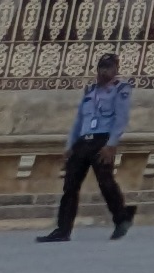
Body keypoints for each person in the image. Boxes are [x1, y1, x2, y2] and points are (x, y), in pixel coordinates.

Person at [41, 52, 135, 240]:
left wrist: (111, 144)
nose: (104, 72)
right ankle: (63, 230)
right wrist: (70, 145)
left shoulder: (120, 90)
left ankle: (121, 218)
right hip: (83, 141)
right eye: (102, 68)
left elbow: (121, 118)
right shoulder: (90, 91)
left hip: (102, 140)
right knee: (70, 186)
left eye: (109, 68)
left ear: (116, 70)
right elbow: (79, 120)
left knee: (105, 182)